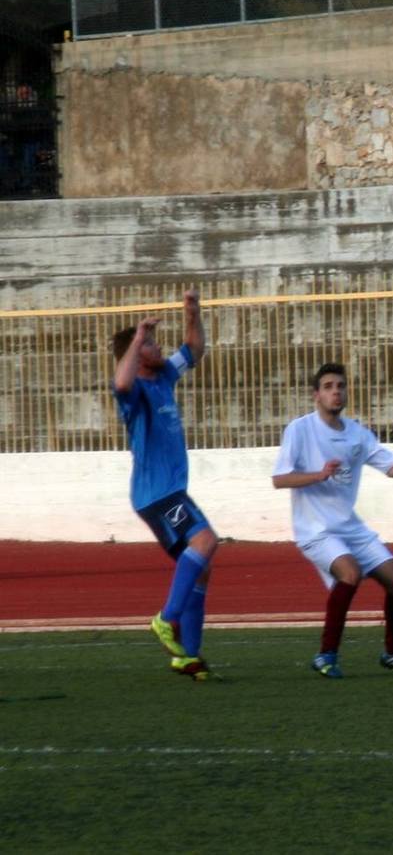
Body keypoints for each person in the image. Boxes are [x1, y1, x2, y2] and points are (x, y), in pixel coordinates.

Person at [272, 363, 393, 678]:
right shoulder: (300, 429)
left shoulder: (357, 434)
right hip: (316, 530)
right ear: (316, 395)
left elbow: (392, 467)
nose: (336, 392)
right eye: (328, 387)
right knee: (350, 573)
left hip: (351, 529)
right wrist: (318, 475)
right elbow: (279, 479)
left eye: (340, 386)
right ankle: (326, 655)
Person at [111, 290, 219, 680]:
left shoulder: (163, 377)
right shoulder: (135, 392)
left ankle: (187, 656)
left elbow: (194, 349)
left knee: (200, 568)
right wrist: (138, 336)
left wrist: (193, 313)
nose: (159, 347)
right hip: (158, 494)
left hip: (166, 494)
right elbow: (121, 382)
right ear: (137, 354)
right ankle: (166, 618)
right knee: (205, 542)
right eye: (151, 344)